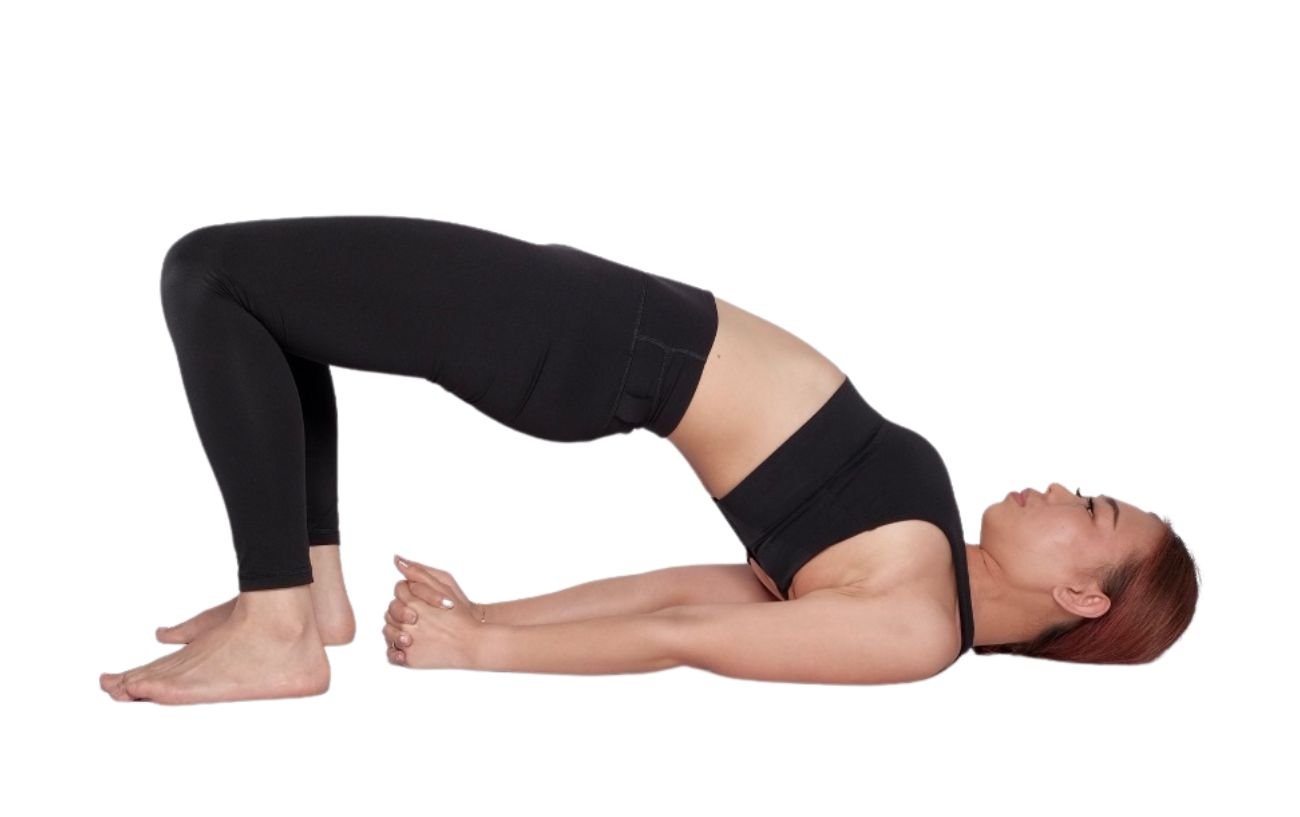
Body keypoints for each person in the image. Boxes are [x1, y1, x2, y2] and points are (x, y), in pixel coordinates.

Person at [100, 216, 1199, 704]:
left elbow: (692, 637)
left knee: (213, 275)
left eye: (1092, 507)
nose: (1064, 487)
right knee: (270, 306)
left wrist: (482, 656)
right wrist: (495, 613)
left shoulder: (913, 631)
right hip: (603, 330)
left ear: (1077, 590)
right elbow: (695, 586)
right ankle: (311, 599)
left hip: (594, 349)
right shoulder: (928, 582)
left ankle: (279, 620)